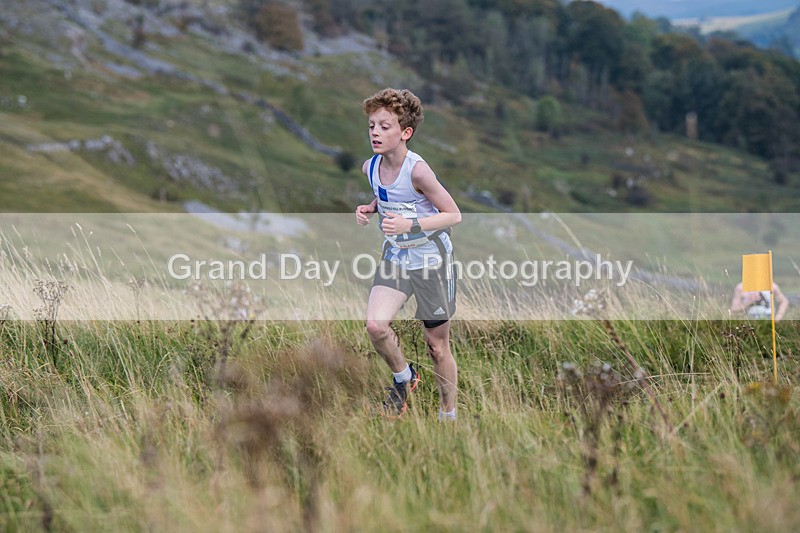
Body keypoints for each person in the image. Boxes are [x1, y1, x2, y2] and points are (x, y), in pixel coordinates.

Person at [354, 88, 461, 420]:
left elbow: (453, 215)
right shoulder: (370, 167)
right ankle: (404, 377)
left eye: (385, 126)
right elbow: (388, 195)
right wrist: (371, 208)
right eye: (372, 126)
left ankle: (448, 416)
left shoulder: (418, 171)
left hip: (432, 262)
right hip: (397, 258)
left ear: (405, 132)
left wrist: (410, 225)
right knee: (376, 326)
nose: (375, 132)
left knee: (437, 347)